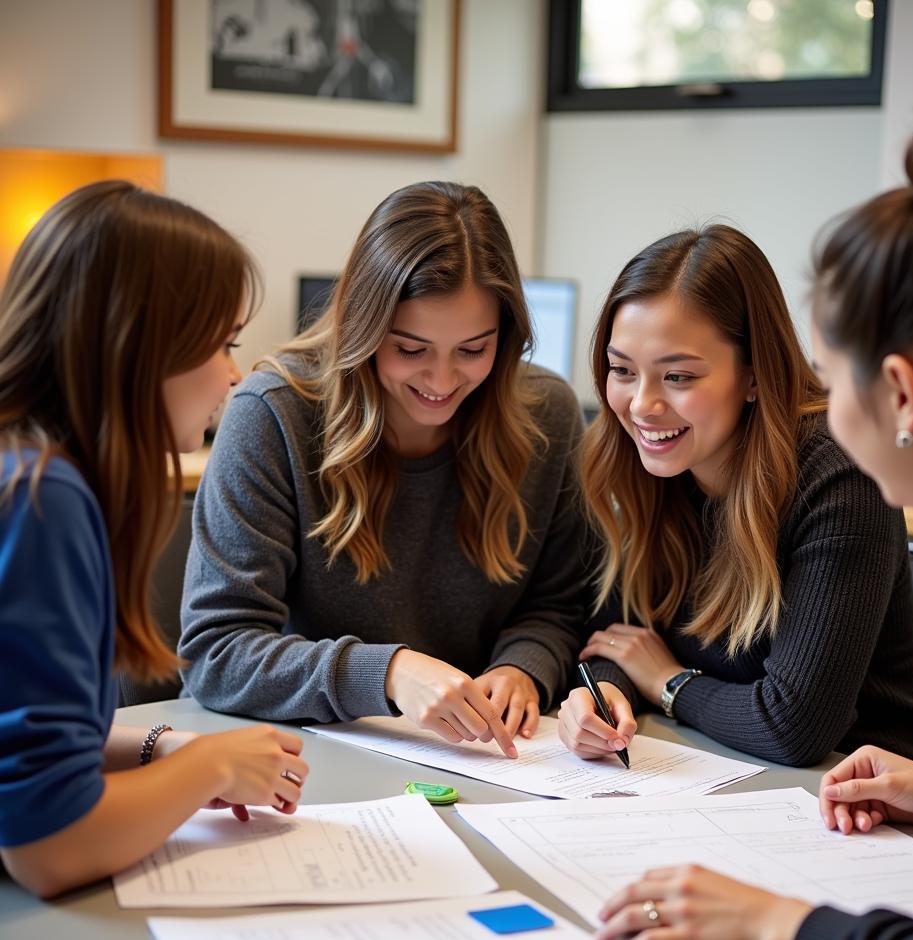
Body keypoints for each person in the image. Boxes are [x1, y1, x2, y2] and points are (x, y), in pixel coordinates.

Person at [594, 106, 913, 940]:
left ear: (900, 391)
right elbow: (612, 634)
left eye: (828, 374)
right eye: (623, 370)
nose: (819, 406)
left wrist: (772, 930)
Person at [179, 181, 585, 757]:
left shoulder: (549, 414)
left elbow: (559, 606)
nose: (442, 382)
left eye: (473, 350)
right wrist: (389, 673)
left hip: (483, 759)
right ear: (362, 329)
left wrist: (525, 667)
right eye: (410, 349)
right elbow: (216, 654)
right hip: (308, 753)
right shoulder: (275, 415)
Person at [0, 181, 309, 899]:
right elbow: (48, 847)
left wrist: (163, 750)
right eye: (222, 343)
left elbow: (23, 739)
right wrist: (208, 770)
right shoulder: (43, 500)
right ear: (142, 343)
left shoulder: (25, 470)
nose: (234, 374)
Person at [557, 224, 913, 767]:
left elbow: (793, 727)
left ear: (754, 376)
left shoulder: (840, 480)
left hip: (856, 805)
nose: (641, 405)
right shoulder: (652, 463)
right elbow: (621, 635)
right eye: (622, 370)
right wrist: (607, 696)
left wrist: (668, 683)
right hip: (717, 773)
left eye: (678, 377)